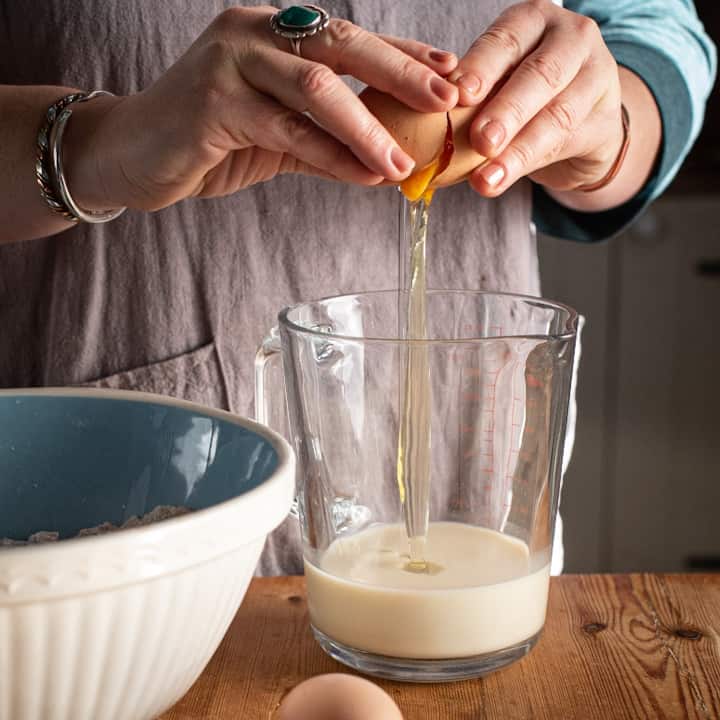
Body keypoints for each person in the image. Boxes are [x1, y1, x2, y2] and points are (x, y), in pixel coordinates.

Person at [0, 1, 715, 574]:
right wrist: (91, 143)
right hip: (104, 538)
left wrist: (608, 121)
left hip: (478, 477)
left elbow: (658, 28)